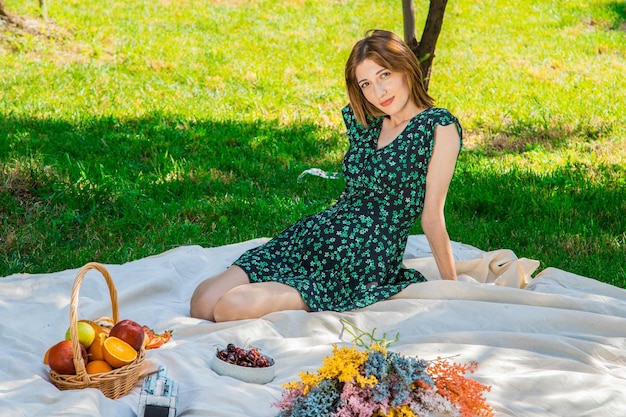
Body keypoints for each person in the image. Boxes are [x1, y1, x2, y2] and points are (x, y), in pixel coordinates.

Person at [190, 29, 462, 322]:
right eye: (366, 83)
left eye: (384, 75)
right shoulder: (369, 125)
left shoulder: (437, 126)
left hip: (362, 256)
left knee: (229, 308)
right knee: (202, 305)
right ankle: (279, 283)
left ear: (405, 68)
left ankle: (291, 292)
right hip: (318, 234)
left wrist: (454, 289)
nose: (379, 92)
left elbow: (431, 217)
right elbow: (355, 191)